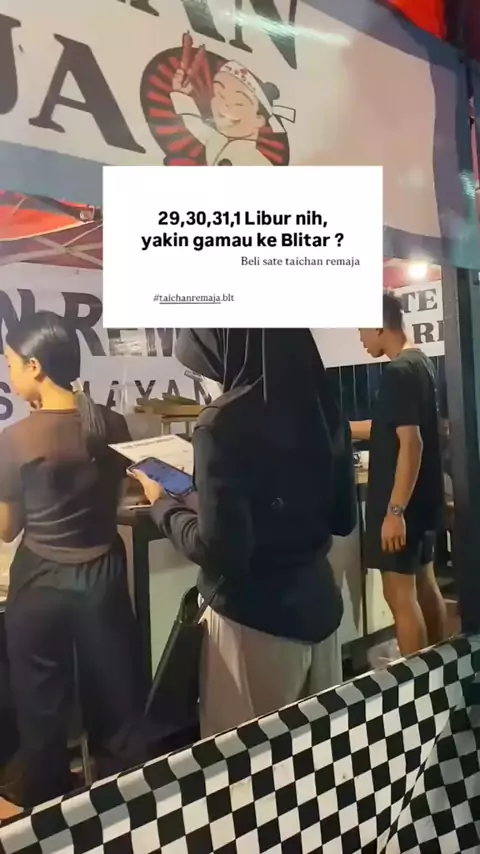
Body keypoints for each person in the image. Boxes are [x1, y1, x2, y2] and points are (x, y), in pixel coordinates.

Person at [133, 328, 356, 737]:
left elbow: (221, 551)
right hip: (321, 612)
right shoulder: (325, 405)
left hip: (251, 624)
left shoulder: (221, 422)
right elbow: (343, 518)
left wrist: (162, 506)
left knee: (244, 765)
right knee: (317, 759)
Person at [0, 312, 147, 807]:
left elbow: (7, 528)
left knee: (42, 716)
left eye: (11, 364)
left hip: (40, 585)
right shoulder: (111, 423)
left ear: (35, 367)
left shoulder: (17, 438)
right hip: (103, 581)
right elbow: (118, 498)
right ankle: (121, 812)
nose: (10, 374)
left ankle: (48, 820)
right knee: (116, 708)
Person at [350, 292, 448, 656]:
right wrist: (342, 427)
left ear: (379, 326)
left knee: (400, 597)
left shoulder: (397, 373)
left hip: (401, 505)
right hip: (423, 501)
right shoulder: (420, 364)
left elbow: (412, 443)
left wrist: (394, 511)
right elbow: (390, 427)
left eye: (362, 329)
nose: (360, 338)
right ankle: (440, 670)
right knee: (425, 585)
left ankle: (415, 683)